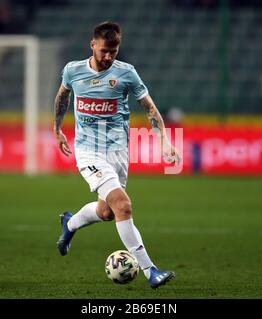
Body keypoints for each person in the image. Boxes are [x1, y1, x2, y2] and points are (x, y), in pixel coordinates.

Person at [53, 21, 180, 289]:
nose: (109, 56)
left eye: (114, 50)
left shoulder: (127, 73)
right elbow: (62, 97)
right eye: (104, 51)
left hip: (118, 151)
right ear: (92, 45)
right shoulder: (73, 70)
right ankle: (151, 271)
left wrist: (165, 141)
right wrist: (57, 130)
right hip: (88, 151)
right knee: (123, 205)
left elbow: (149, 108)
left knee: (107, 211)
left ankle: (70, 223)